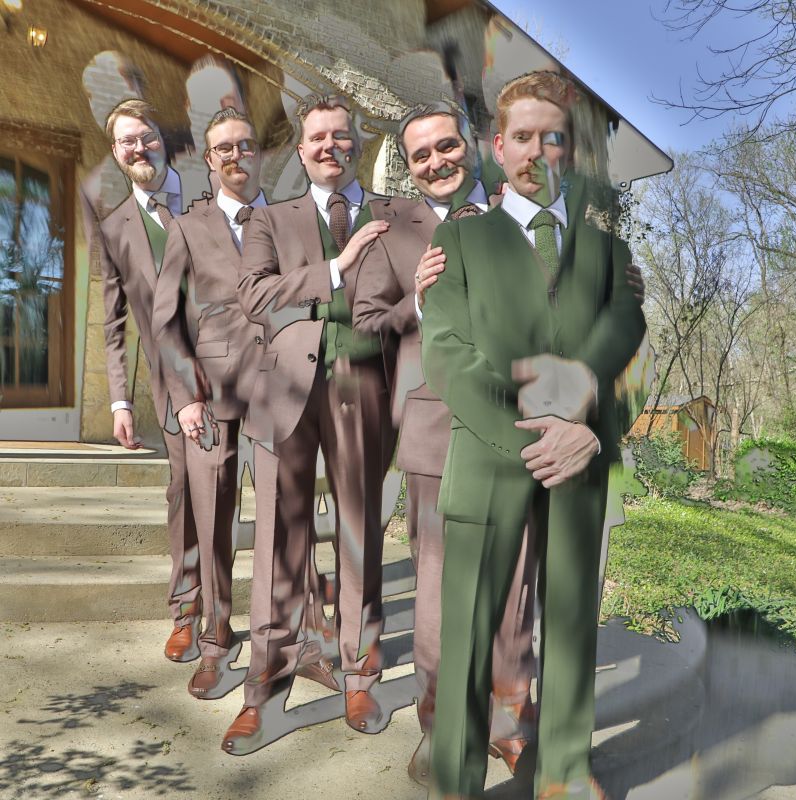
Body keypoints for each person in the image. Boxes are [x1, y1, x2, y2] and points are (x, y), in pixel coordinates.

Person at [419, 72, 647, 800]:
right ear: (498, 145)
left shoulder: (607, 247)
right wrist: (533, 433)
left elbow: (624, 331)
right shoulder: (459, 239)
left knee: (573, 622)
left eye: (553, 138)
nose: (537, 152)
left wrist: (580, 424)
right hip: (487, 458)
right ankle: (456, 780)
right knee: (467, 633)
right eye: (522, 136)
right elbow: (446, 352)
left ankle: (565, 773)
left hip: (581, 457)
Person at [351, 102, 539, 784]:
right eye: (421, 154)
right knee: (437, 588)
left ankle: (510, 720)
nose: (436, 162)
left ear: (473, 145)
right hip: (437, 425)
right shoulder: (392, 229)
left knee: (516, 584)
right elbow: (364, 322)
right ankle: (441, 724)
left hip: (520, 422)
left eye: (447, 146)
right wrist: (418, 301)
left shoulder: (519, 213)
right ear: (409, 165)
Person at [222, 94, 396, 754]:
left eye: (340, 136)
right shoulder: (269, 219)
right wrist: (334, 270)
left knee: (359, 532)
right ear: (301, 151)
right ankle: (262, 690)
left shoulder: (392, 216)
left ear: (357, 144)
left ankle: (359, 675)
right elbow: (253, 294)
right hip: (287, 385)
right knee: (278, 540)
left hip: (364, 384)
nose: (329, 147)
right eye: (317, 138)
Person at [151, 107, 266, 699]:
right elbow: (165, 321)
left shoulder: (289, 219)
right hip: (209, 396)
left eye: (245, 146)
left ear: (259, 152)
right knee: (212, 515)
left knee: (287, 521)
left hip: (283, 392)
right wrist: (185, 397)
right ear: (209, 158)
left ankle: (290, 637)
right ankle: (216, 637)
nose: (235, 156)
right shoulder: (187, 227)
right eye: (224, 149)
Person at [94, 99, 202, 664]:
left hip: (247, 369)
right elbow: (114, 323)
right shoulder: (113, 229)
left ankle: (300, 613)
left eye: (148, 136)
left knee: (279, 487)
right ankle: (187, 611)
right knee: (186, 492)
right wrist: (120, 399)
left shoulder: (211, 193)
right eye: (127, 141)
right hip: (173, 384)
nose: (140, 148)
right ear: (116, 153)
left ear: (165, 139)